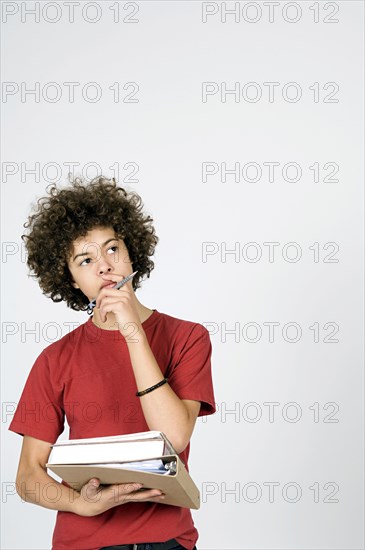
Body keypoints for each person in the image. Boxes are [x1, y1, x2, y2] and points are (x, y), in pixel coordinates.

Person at [8, 176, 216, 550]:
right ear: (71, 280)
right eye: (85, 260)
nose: (104, 267)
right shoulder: (55, 360)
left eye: (112, 249)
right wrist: (80, 504)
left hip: (168, 541)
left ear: (131, 252)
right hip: (83, 542)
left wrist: (132, 332)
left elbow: (174, 435)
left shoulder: (188, 337)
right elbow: (27, 477)